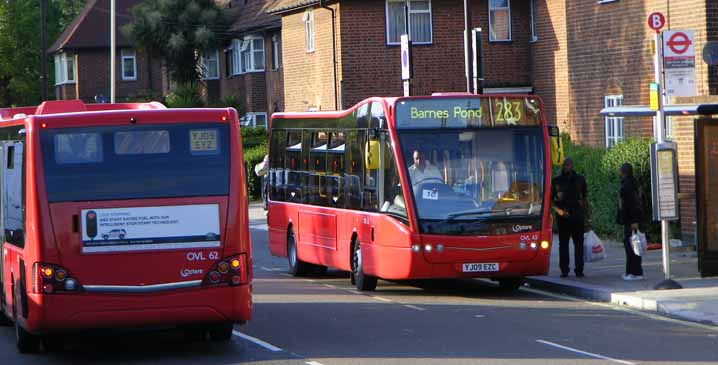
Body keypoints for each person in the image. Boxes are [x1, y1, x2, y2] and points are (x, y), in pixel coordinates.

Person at [551, 158, 590, 278]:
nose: (565, 167)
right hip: (563, 217)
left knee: (579, 243)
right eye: (564, 165)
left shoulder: (580, 179)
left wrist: (588, 217)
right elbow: (550, 201)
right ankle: (564, 270)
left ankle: (579, 269)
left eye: (567, 165)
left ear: (572, 165)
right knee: (563, 244)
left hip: (577, 215)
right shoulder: (556, 181)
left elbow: (585, 199)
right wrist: (559, 211)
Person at [617, 163, 644, 281]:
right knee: (635, 244)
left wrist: (633, 220)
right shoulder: (635, 183)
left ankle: (632, 272)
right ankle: (635, 271)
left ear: (623, 172)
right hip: (635, 218)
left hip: (631, 220)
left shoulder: (627, 186)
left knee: (631, 246)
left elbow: (630, 204)